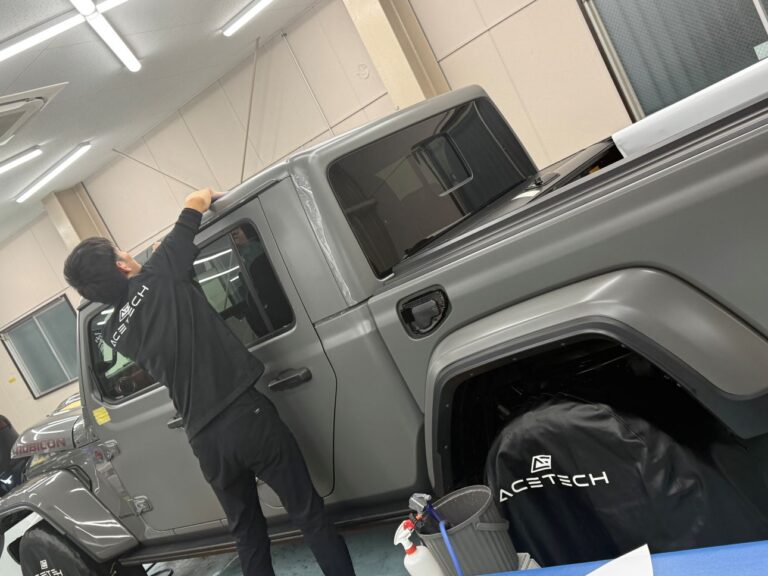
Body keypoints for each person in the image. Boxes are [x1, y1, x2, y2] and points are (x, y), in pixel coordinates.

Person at [63, 188, 356, 576]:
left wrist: (167, 267)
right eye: (122, 252)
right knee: (307, 512)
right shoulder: (161, 272)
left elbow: (163, 312)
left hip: (204, 439)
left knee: (248, 534)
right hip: (245, 416)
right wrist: (211, 201)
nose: (129, 254)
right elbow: (196, 200)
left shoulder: (114, 331)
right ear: (120, 264)